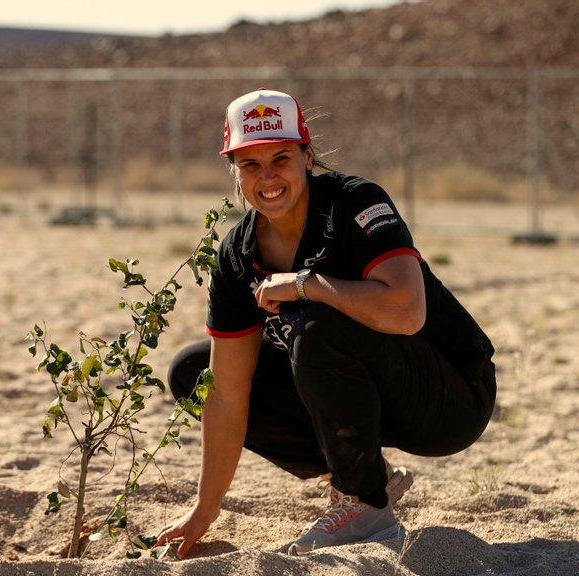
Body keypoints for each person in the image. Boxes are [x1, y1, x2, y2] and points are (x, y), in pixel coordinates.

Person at [156, 88, 496, 558]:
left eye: (281, 158)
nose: (268, 176)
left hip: (450, 398)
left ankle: (365, 503)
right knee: (195, 372)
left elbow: (407, 311)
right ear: (234, 174)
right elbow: (229, 394)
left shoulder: (355, 202)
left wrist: (306, 284)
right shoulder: (237, 254)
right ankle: (356, 473)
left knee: (317, 327)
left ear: (307, 156)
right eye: (250, 165)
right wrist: (205, 508)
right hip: (361, 397)